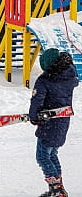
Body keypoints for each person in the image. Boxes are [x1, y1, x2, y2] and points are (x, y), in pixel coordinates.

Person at [29, 48, 78, 197]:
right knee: (52, 154)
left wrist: (33, 116)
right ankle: (58, 189)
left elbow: (37, 101)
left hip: (49, 124)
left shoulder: (45, 80)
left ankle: (56, 189)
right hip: (63, 121)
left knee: (42, 156)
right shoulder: (69, 75)